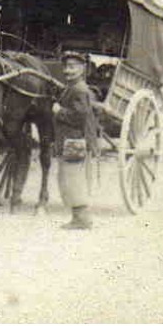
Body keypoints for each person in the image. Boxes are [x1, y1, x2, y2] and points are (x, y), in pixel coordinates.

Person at [52, 50, 99, 230]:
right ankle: (78, 218)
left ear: (82, 69)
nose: (67, 71)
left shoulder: (79, 90)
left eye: (72, 67)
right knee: (70, 177)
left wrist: (59, 111)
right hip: (70, 140)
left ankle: (82, 219)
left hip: (75, 140)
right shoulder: (72, 87)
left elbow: (79, 118)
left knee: (73, 178)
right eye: (65, 67)